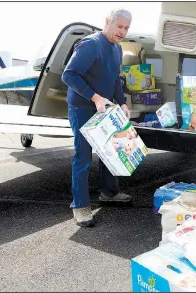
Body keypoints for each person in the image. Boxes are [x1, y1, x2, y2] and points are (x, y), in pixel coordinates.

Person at [62, 8, 132, 227]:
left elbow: (115, 80)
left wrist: (122, 103)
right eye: (119, 26)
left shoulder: (117, 49)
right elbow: (69, 75)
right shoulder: (91, 44)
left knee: (109, 151)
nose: (122, 31)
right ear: (107, 23)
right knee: (83, 156)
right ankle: (81, 206)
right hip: (83, 107)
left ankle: (109, 193)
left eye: (126, 28)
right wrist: (95, 98)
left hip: (106, 108)